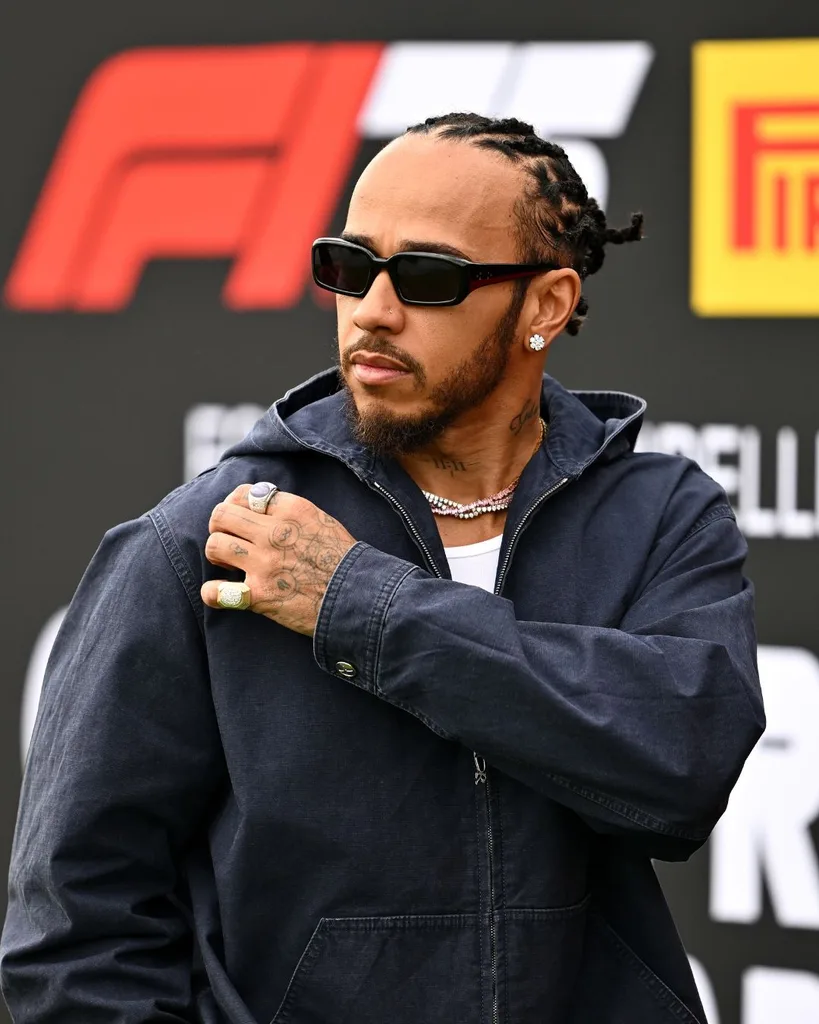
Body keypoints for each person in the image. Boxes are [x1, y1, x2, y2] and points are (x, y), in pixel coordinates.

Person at [1, 114, 763, 1024]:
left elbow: (680, 770)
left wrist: (360, 605)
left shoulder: (660, 515)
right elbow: (75, 927)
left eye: (429, 277)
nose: (372, 310)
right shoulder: (214, 536)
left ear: (545, 306)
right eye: (350, 266)